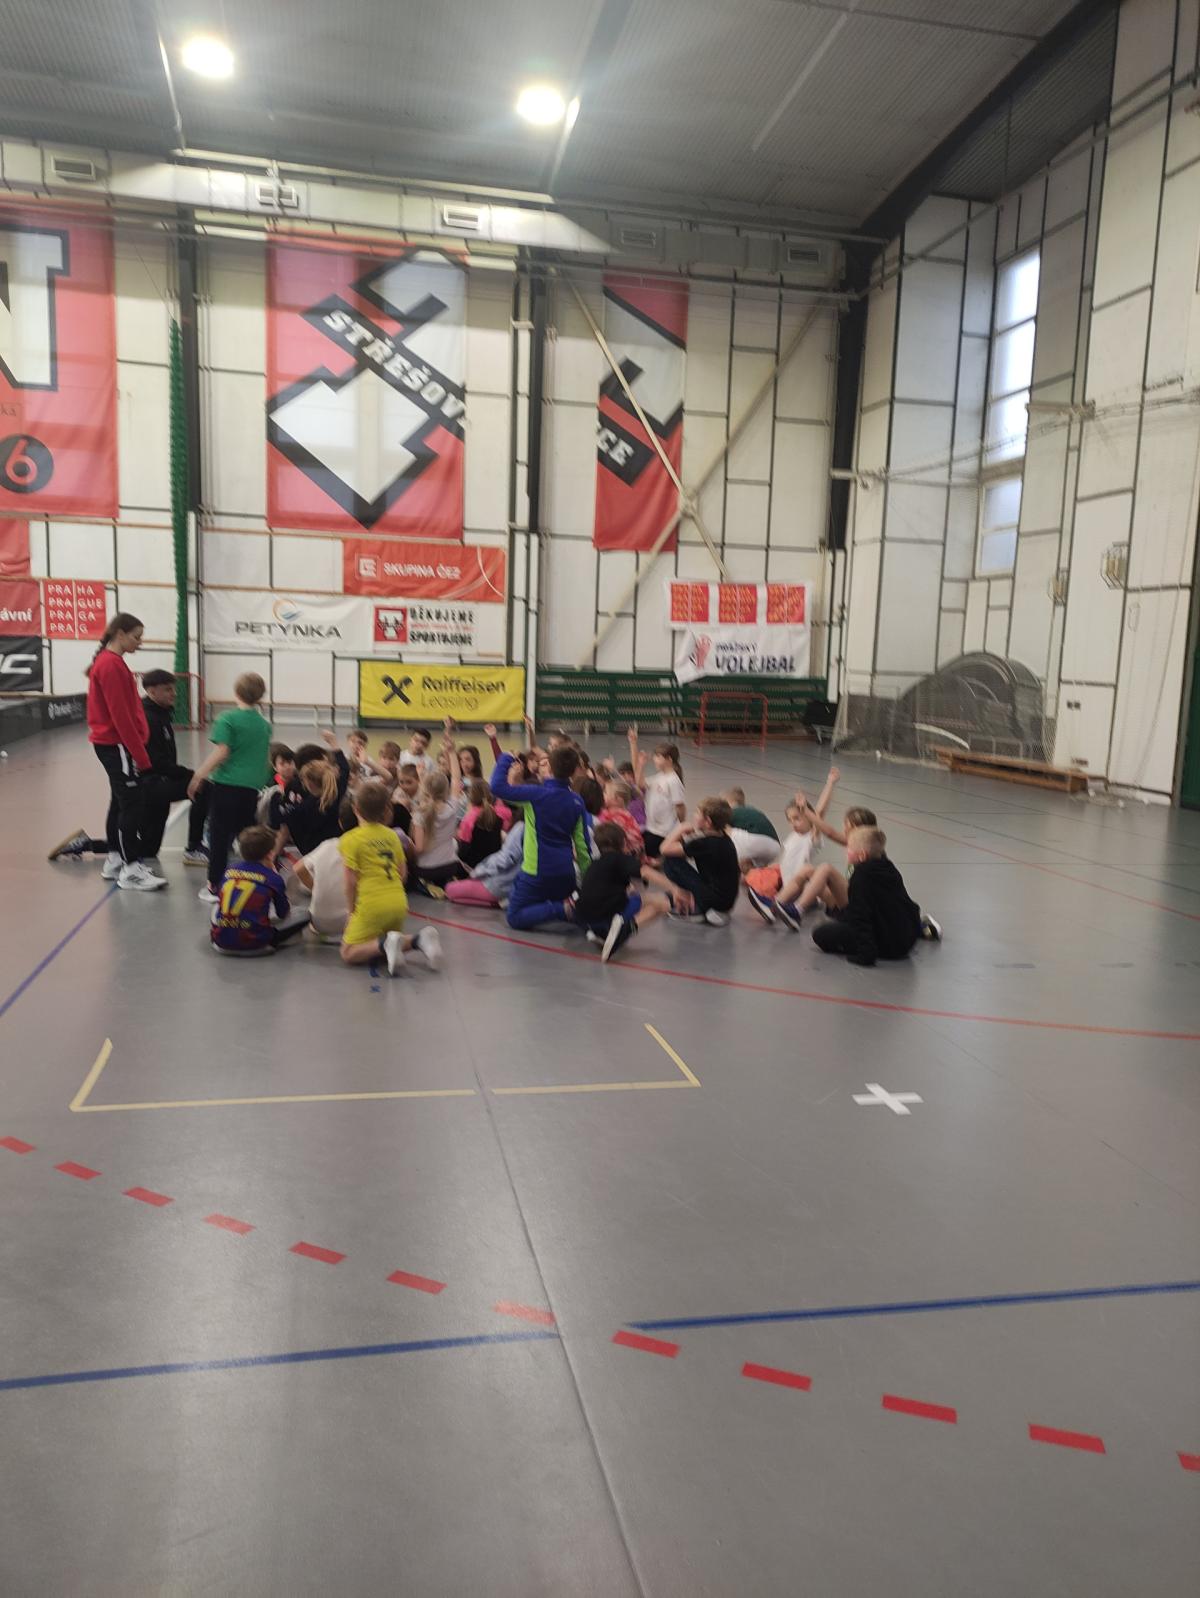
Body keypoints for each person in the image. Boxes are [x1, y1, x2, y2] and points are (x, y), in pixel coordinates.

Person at [50, 667, 209, 871]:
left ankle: (86, 844)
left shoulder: (161, 713)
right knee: (204, 788)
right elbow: (156, 762)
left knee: (148, 849)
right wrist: (191, 775)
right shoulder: (149, 718)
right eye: (168, 689)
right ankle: (194, 848)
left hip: (160, 781)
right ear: (151, 691)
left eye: (173, 688)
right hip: (149, 784)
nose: (174, 693)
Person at [81, 612, 166, 891]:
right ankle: (130, 868)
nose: (140, 642)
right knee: (132, 804)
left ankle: (115, 859)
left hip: (114, 744)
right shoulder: (111, 666)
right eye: (136, 637)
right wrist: (141, 756)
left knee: (119, 802)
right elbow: (122, 717)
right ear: (120, 634)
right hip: (117, 745)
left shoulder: (112, 663)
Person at [339, 781, 442, 976]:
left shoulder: (350, 839)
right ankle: (419, 940)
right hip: (398, 902)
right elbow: (402, 874)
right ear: (386, 809)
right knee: (381, 941)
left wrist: (351, 911)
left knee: (348, 952)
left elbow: (350, 881)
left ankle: (387, 942)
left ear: (355, 809)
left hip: (371, 904)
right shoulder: (393, 836)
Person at [189, 673, 272, 905]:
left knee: (219, 836)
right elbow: (264, 756)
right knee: (249, 838)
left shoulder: (227, 719)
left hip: (227, 786)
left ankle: (215, 885)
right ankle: (255, 882)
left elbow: (222, 751)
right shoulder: (264, 725)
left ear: (236, 693)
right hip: (251, 788)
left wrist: (199, 775)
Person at [491, 745, 591, 930]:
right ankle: (566, 906)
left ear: (550, 767)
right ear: (573, 771)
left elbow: (497, 787)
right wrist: (587, 879)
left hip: (537, 874)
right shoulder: (577, 801)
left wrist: (506, 757)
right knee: (520, 887)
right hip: (566, 876)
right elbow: (582, 846)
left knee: (514, 917)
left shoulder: (535, 794)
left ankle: (562, 909)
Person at [811, 826, 939, 966]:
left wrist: (865, 954)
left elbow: (861, 917)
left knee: (820, 934)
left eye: (849, 849)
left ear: (862, 856)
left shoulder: (861, 876)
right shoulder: (889, 868)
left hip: (888, 946)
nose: (846, 851)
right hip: (906, 941)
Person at [575, 821, 681, 964]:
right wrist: (675, 889)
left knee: (641, 898)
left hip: (585, 918)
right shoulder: (620, 858)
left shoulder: (595, 863)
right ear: (622, 842)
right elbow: (646, 872)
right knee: (663, 906)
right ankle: (624, 931)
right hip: (604, 911)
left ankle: (603, 934)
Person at [209, 825, 310, 955]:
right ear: (270, 854)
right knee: (305, 914)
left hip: (220, 942)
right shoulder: (273, 878)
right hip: (258, 945)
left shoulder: (229, 870)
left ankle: (226, 929)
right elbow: (283, 913)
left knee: (218, 906)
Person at [659, 798, 740, 926]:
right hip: (726, 901)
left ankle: (698, 907)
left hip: (716, 901)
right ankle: (690, 897)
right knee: (678, 858)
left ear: (708, 822)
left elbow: (664, 849)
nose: (693, 815)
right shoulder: (722, 837)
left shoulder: (705, 843)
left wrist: (681, 828)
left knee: (670, 861)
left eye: (697, 813)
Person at [291, 798, 357, 941]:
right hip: (352, 922)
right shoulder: (368, 849)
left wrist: (316, 888)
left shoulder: (328, 844)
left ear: (340, 822)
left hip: (320, 922)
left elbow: (298, 869)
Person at [628, 727, 685, 859]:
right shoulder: (660, 776)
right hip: (652, 828)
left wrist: (680, 828)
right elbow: (640, 783)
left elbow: (680, 806)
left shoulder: (673, 780)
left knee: (649, 858)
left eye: (658, 757)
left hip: (663, 832)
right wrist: (640, 763)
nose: (654, 759)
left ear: (669, 759)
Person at [445, 820, 526, 908]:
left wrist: (476, 872)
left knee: (449, 889)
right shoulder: (533, 830)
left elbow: (504, 859)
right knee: (456, 895)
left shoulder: (520, 827)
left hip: (499, 884)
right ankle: (498, 903)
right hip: (514, 887)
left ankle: (496, 903)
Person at [456, 779, 511, 870]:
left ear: (471, 798)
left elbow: (462, 853)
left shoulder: (469, 819)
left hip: (473, 866)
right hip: (493, 862)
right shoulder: (500, 814)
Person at [598, 778, 644, 858]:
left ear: (617, 800)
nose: (602, 794)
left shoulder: (619, 816)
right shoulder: (608, 812)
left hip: (628, 853)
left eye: (605, 792)